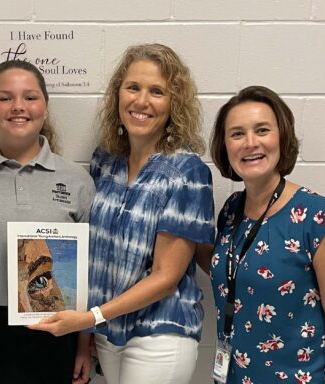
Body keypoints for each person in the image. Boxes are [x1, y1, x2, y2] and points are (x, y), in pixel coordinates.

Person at [29, 43, 215, 384]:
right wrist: (84, 341)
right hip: (106, 332)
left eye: (157, 91)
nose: (141, 101)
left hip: (160, 332)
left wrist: (89, 318)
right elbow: (91, 257)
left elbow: (165, 276)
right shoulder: (105, 162)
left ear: (174, 104)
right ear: (118, 94)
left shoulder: (187, 171)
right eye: (133, 87)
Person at [0, 59, 96, 384]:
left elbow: (88, 273)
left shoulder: (77, 180)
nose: (19, 107)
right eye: (5, 97)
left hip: (55, 331)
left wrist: (84, 345)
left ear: (45, 107)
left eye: (30, 97)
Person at [207, 85, 325, 383]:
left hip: (298, 377)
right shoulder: (231, 210)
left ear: (282, 137)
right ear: (225, 146)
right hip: (234, 374)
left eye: (262, 130)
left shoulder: (319, 217)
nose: (250, 143)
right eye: (237, 134)